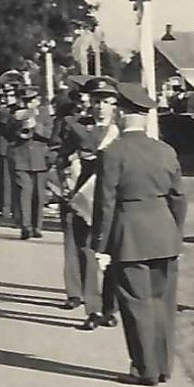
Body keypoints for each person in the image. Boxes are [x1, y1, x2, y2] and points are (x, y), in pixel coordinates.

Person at [91, 82, 188, 384]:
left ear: (120, 112)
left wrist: (100, 244)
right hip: (164, 231)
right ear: (145, 117)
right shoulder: (165, 151)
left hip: (129, 232)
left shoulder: (112, 153)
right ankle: (163, 366)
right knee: (163, 304)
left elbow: (104, 202)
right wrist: (174, 230)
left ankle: (144, 368)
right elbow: (179, 198)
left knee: (136, 303)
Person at [69, 77, 121, 331]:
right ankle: (93, 309)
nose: (101, 107)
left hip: (113, 199)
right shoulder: (78, 127)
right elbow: (58, 155)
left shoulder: (122, 130)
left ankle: (109, 307)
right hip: (85, 199)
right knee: (87, 254)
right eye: (97, 101)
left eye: (107, 102)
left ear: (115, 105)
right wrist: (65, 180)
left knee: (112, 253)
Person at [7, 85, 55, 239]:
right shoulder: (14, 114)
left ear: (37, 100)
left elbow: (51, 135)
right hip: (21, 158)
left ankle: (37, 226)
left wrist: (37, 126)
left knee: (39, 195)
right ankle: (25, 226)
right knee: (24, 192)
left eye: (31, 101)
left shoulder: (45, 114)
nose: (28, 104)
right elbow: (7, 134)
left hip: (40, 159)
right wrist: (18, 127)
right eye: (25, 101)